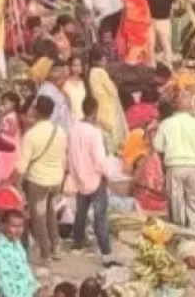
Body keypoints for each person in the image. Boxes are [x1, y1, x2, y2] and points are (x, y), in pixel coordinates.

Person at [12, 95, 67, 265]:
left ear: (36, 110)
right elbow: (63, 157)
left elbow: (21, 166)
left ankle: (46, 253)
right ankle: (56, 247)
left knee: (39, 217)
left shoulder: (32, 135)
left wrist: (12, 182)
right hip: (56, 180)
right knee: (51, 213)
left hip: (38, 182)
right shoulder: (60, 132)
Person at [68, 96, 117, 266]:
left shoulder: (74, 128)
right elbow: (100, 159)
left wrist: (74, 174)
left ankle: (77, 242)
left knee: (81, 213)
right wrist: (109, 173)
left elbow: (71, 154)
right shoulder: (94, 133)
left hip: (80, 177)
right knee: (100, 217)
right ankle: (106, 253)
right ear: (95, 111)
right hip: (95, 178)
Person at [152, 90, 195, 229]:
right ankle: (194, 229)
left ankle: (179, 229)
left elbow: (158, 146)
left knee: (176, 200)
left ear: (175, 106)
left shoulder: (166, 124)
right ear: (191, 105)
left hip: (174, 167)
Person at [0, 210, 40, 296]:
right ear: (3, 226)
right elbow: (9, 288)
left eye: (21, 226)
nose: (18, 230)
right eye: (14, 226)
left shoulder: (16, 243)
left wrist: (37, 288)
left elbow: (26, 272)